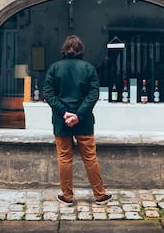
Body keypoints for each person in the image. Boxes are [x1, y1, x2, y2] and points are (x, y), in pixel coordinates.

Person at [43, 35, 112, 206]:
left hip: (61, 121)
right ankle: (100, 195)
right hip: (84, 121)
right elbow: (93, 95)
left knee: (65, 158)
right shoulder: (89, 68)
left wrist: (64, 113)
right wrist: (78, 115)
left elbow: (48, 93)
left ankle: (67, 196)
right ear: (82, 50)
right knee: (90, 158)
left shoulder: (54, 68)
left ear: (64, 50)